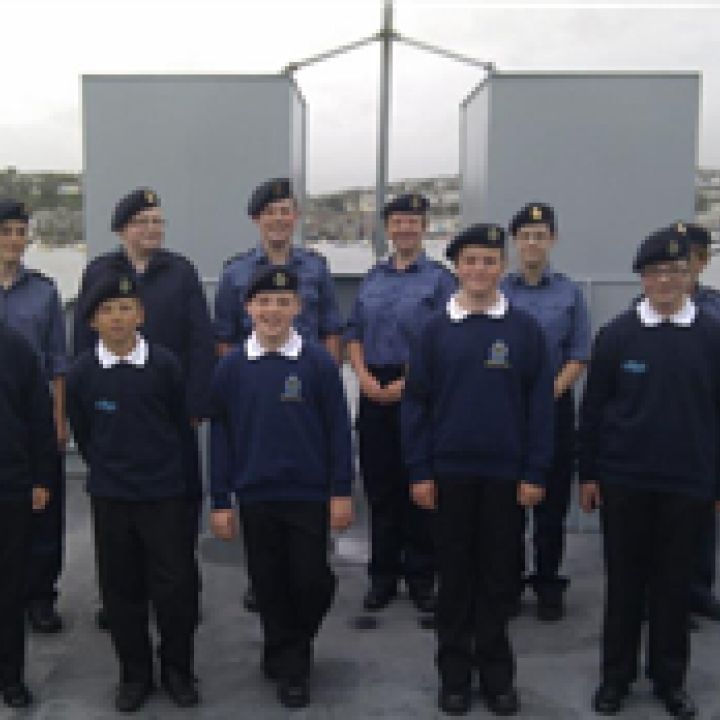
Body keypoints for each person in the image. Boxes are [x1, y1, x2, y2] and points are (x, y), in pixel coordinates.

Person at [402, 224, 554, 716]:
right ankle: (453, 676)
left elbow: (540, 407)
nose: (480, 270)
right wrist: (419, 471)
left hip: (506, 478)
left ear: (502, 267)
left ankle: (496, 675)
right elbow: (416, 406)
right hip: (449, 475)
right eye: (470, 261)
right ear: (457, 268)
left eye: (489, 260)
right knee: (453, 579)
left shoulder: (525, 330)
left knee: (497, 580)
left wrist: (535, 471)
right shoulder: (434, 331)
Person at [579, 224, 720, 719]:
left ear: (691, 275)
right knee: (624, 586)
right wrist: (589, 474)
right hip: (625, 481)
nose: (665, 280)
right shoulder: (617, 335)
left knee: (674, 588)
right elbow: (593, 411)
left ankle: (669, 679)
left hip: (688, 483)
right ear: (641, 277)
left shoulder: (712, 335)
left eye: (676, 271)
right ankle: (615, 678)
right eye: (656, 271)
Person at [209, 265, 354, 710]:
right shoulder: (232, 367)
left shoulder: (317, 363)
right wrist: (220, 499)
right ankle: (291, 663)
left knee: (311, 581)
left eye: (282, 302)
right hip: (256, 494)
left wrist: (341, 491)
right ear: (248, 308)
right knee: (269, 583)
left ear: (298, 307)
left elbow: (338, 429)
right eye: (264, 302)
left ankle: (288, 646)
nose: (272, 311)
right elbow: (221, 437)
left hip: (308, 493)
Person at [73, 188, 215, 627]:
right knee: (117, 514)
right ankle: (122, 597)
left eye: (157, 221)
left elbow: (200, 339)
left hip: (169, 407)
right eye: (142, 221)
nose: (152, 228)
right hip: (115, 402)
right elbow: (82, 343)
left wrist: (196, 401)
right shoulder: (99, 271)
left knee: (179, 503)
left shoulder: (181, 271)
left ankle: (180, 592)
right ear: (122, 230)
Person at [67, 273, 200, 712]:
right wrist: (110, 470)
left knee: (175, 588)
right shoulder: (83, 373)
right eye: (106, 311)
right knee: (120, 590)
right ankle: (134, 674)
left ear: (141, 315)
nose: (117, 318)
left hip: (163, 495)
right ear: (92, 321)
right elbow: (85, 433)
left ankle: (178, 670)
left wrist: (179, 486)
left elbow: (180, 429)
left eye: (125, 309)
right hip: (112, 497)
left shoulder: (164, 365)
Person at [214, 177, 344, 611]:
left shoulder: (316, 268)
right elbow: (225, 338)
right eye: (270, 212)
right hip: (256, 389)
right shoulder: (235, 272)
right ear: (257, 219)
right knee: (261, 499)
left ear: (296, 217)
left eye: (285, 211)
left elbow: (330, 329)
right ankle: (265, 582)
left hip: (306, 386)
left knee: (306, 491)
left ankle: (308, 568)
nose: (279, 219)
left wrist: (325, 379)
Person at [345, 193, 456, 613]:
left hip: (420, 387)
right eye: (398, 221)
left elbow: (446, 339)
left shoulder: (440, 280)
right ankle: (382, 576)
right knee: (380, 486)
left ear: (424, 227)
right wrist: (363, 377)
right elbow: (354, 333)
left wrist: (409, 384)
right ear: (388, 229)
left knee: (420, 485)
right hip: (374, 385)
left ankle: (422, 576)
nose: (405, 228)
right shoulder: (372, 278)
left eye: (413, 221)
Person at [501, 202, 590, 621]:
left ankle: (548, 581)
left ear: (552, 240)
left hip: (555, 404)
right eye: (525, 236)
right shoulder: (501, 292)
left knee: (551, 505)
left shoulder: (569, 293)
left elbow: (579, 353)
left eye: (540, 236)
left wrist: (548, 392)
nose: (532, 243)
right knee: (508, 504)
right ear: (515, 242)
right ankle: (509, 580)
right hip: (508, 408)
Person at [0, 198, 68, 633]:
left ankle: (40, 595)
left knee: (43, 505)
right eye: (5, 232)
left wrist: (59, 420)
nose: (14, 240)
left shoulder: (44, 292)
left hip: (33, 414)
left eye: (20, 232)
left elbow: (58, 361)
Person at [0, 320, 56, 708]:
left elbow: (39, 416)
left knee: (9, 589)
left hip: (9, 485)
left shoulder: (15, 347)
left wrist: (41, 477)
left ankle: (10, 678)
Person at [683, 222, 720, 622]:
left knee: (704, 509)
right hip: (668, 419)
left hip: (706, 418)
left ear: (703, 261)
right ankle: (666, 597)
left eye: (690, 257)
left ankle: (699, 589)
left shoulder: (715, 308)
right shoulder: (645, 306)